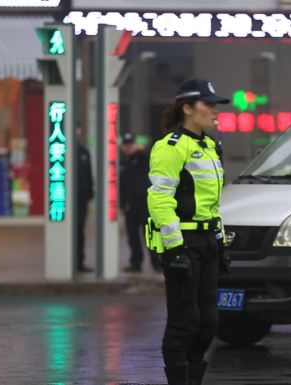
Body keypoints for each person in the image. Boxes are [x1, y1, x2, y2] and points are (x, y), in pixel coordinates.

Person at [147, 78, 231, 385]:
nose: (214, 110)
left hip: (207, 241)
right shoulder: (169, 147)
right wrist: (174, 248)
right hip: (182, 242)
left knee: (209, 321)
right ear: (187, 108)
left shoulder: (210, 146)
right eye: (208, 104)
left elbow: (211, 203)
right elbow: (159, 199)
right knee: (185, 321)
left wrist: (220, 242)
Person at [119, 132, 157, 273]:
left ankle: (156, 263)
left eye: (131, 144)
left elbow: (150, 160)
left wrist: (140, 151)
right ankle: (136, 263)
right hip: (131, 206)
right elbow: (121, 186)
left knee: (150, 235)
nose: (129, 147)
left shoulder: (143, 158)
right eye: (126, 145)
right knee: (132, 237)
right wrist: (122, 205)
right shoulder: (123, 163)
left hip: (145, 204)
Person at [76, 125, 94, 273]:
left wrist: (90, 191)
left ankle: (79, 262)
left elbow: (88, 174)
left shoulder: (83, 151)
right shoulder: (61, 151)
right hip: (65, 199)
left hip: (82, 198)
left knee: (80, 231)